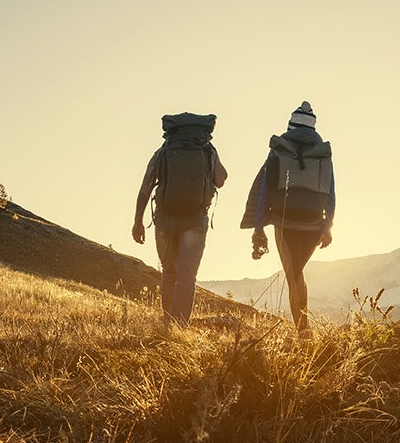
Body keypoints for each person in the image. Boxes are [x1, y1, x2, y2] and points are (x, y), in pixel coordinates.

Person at [241, 101, 335, 331]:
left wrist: (258, 226)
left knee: (294, 276)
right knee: (297, 273)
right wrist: (327, 227)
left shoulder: (279, 149)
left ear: (291, 126)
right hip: (314, 225)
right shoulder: (322, 153)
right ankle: (303, 329)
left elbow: (264, 189)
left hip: (285, 222)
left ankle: (303, 331)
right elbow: (331, 192)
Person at [132, 112, 228, 325]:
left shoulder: (164, 151)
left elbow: (145, 187)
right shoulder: (208, 150)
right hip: (195, 220)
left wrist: (138, 221)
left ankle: (168, 322)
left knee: (169, 271)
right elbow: (220, 180)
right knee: (187, 274)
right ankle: (181, 325)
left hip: (166, 218)